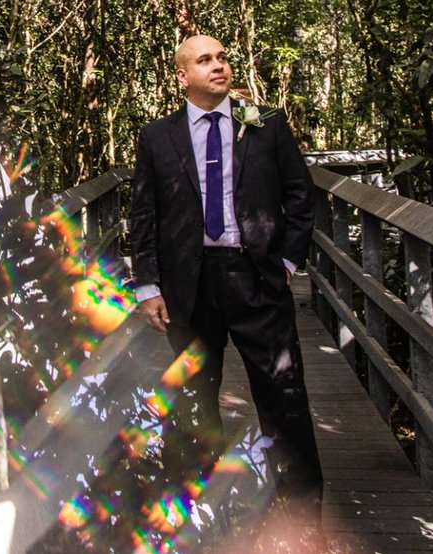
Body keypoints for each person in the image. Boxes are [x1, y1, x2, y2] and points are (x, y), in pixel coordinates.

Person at [128, 33, 323, 505]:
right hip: (188, 287)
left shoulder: (266, 124)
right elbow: (145, 214)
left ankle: (301, 516)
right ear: (182, 76)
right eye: (204, 60)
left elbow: (301, 196)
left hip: (257, 279)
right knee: (193, 402)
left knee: (283, 398)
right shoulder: (157, 137)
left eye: (222, 57)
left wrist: (287, 260)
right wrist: (148, 285)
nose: (218, 65)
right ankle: (201, 512)